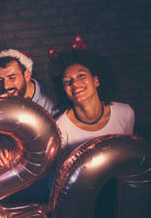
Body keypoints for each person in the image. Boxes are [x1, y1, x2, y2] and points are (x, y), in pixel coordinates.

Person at [48, 37, 135, 217]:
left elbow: (130, 161)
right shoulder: (60, 126)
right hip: (83, 199)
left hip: (119, 194)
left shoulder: (125, 113)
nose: (75, 83)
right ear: (63, 90)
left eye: (81, 75)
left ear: (96, 80)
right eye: (67, 81)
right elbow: (61, 176)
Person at [0, 48, 58, 204]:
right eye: (0, 80)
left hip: (51, 182)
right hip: (19, 184)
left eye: (11, 77)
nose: (6, 86)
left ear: (27, 75)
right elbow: (0, 135)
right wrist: (0, 149)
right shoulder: (1, 102)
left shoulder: (52, 98)